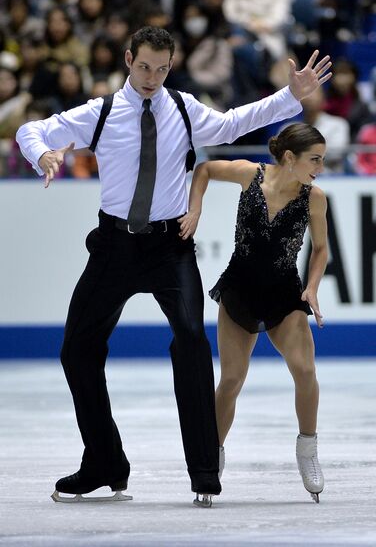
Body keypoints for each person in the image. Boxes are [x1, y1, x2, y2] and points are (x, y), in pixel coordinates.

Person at [16, 26, 331, 507]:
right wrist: (44, 153)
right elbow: (30, 129)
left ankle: (205, 471)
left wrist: (289, 96)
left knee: (190, 338)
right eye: (144, 66)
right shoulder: (100, 112)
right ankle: (105, 463)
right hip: (114, 246)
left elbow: (230, 124)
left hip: (170, 246)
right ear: (128, 59)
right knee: (76, 350)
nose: (151, 77)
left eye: (162, 69)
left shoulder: (183, 108)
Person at [179, 123, 328, 503]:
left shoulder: (315, 198)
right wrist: (194, 208)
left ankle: (307, 448)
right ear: (290, 158)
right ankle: (210, 460)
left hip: (284, 293)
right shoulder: (249, 174)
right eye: (315, 159)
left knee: (305, 370)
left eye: (323, 160)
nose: (321, 167)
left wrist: (311, 287)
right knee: (231, 380)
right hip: (240, 291)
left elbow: (321, 249)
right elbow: (206, 169)